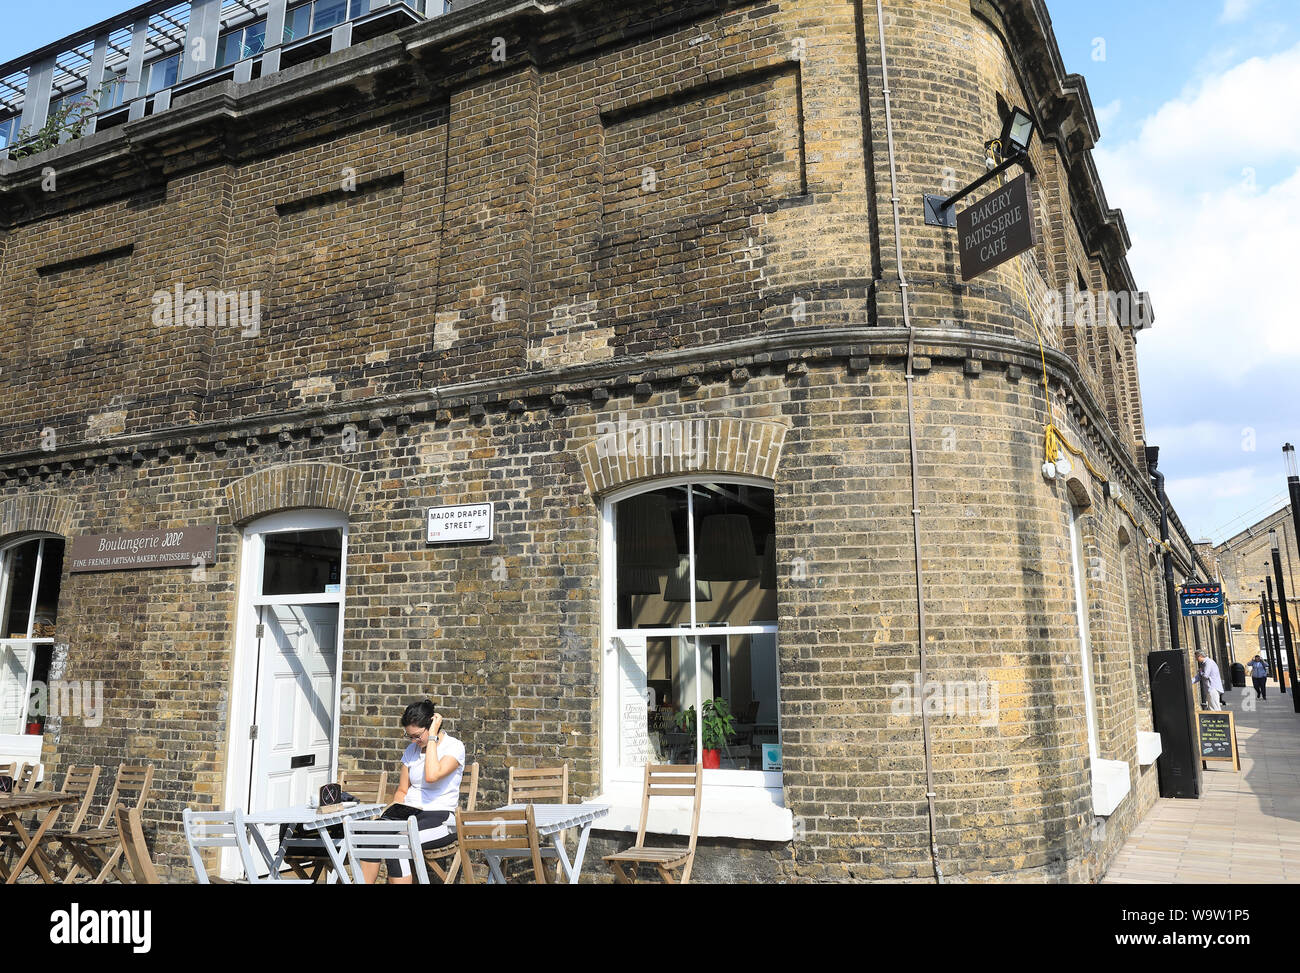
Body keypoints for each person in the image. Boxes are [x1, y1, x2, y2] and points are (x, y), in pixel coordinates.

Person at [359, 699, 466, 884]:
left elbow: (432, 775)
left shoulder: (454, 746)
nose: (414, 741)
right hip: (410, 813)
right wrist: (393, 811)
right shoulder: (411, 750)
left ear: (432, 725)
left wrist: (432, 737)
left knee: (399, 842)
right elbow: (402, 790)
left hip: (441, 817)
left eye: (417, 736)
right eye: (410, 737)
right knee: (371, 835)